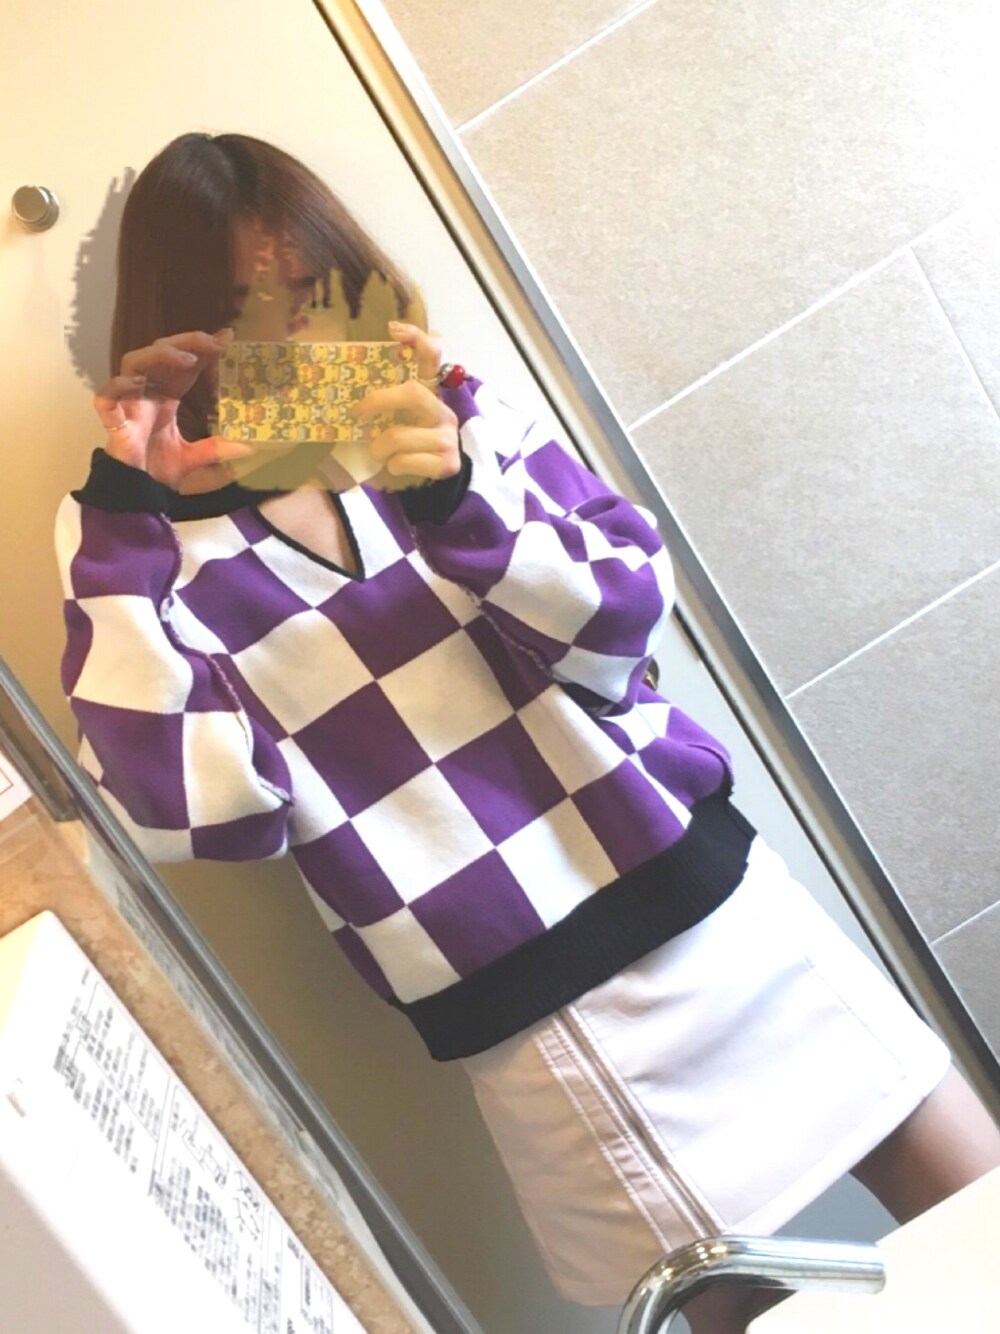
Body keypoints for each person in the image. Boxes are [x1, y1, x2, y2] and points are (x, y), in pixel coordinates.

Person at [55, 133, 1000, 1333]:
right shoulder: (129, 538)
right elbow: (189, 813)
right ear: (183, 331)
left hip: (714, 905)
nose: (297, 338)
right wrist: (129, 519)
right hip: (542, 1014)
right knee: (736, 1314)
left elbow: (624, 616)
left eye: (314, 291)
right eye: (245, 310)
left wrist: (456, 496)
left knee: (981, 1214)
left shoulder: (441, 412)